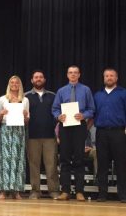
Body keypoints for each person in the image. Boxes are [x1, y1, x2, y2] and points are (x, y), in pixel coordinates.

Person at [52, 65, 95, 201]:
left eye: (75, 73)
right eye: (70, 73)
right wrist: (58, 116)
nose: (73, 75)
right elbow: (54, 109)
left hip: (79, 126)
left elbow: (92, 109)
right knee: (64, 158)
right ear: (67, 75)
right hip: (65, 126)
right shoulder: (61, 91)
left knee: (79, 158)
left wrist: (84, 115)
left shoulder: (86, 90)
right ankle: (65, 191)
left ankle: (79, 191)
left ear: (79, 75)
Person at [25, 70, 60, 200]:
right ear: (32, 80)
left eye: (41, 77)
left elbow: (58, 115)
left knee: (51, 164)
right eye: (36, 77)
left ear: (44, 80)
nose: (38, 79)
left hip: (50, 136)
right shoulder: (25, 97)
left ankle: (54, 190)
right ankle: (35, 191)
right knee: (34, 165)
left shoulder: (53, 96)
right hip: (32, 136)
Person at [94, 68, 126, 202]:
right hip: (101, 132)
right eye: (106, 76)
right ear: (103, 78)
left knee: (121, 165)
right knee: (102, 165)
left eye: (111, 75)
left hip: (118, 132)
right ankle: (102, 194)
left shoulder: (123, 93)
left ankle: (123, 195)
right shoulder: (97, 95)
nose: (109, 78)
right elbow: (92, 114)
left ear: (116, 78)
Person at [0, 75, 29, 200]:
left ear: (20, 85)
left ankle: (16, 191)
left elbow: (27, 121)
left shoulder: (25, 100)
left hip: (19, 131)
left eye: (17, 82)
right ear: (9, 84)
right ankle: (3, 190)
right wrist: (1, 113)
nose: (14, 84)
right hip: (6, 130)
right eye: (12, 82)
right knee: (5, 159)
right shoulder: (2, 99)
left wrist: (25, 116)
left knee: (18, 159)